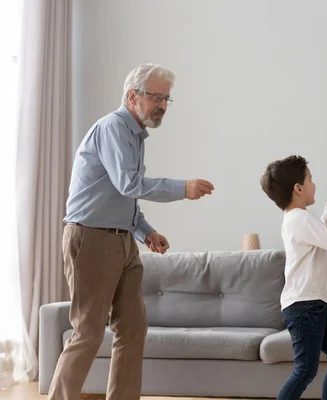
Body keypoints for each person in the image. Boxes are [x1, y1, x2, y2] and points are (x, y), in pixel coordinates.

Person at [49, 63, 215, 400]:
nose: (163, 106)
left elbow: (119, 195)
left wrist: (145, 232)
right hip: (91, 239)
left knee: (133, 328)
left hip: (122, 240)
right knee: (89, 332)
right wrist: (184, 188)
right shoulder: (112, 128)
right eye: (157, 97)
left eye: (167, 99)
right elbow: (129, 184)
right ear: (132, 96)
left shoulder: (135, 135)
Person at [260, 155, 327, 400]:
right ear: (298, 188)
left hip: (313, 305)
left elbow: (322, 230)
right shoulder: (300, 219)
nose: (314, 184)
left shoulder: (299, 219)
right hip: (305, 307)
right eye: (311, 179)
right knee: (305, 370)